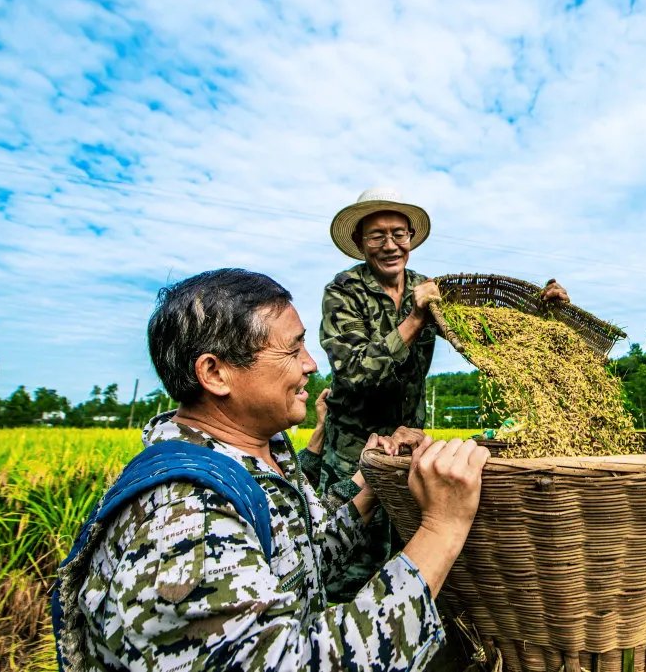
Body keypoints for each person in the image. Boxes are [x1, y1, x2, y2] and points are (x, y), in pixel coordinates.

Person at [53, 268, 489, 671]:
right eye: (292, 347)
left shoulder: (262, 453)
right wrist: (441, 528)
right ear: (215, 373)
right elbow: (291, 662)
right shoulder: (184, 517)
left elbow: (305, 560)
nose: (311, 364)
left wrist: (369, 481)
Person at [318, 187, 568, 600]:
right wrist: (416, 318)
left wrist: (543, 310)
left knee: (409, 555)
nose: (390, 245)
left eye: (398, 233)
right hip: (353, 454)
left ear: (412, 238)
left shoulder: (428, 288)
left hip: (408, 453)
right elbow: (355, 372)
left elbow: (489, 327)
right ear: (361, 243)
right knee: (347, 560)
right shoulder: (343, 292)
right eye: (377, 235)